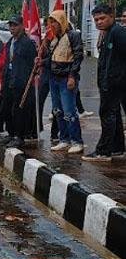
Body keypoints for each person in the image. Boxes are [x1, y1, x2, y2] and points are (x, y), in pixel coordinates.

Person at [82, 4, 126, 162]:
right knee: (113, 116)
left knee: (107, 115)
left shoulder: (118, 33)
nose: (99, 22)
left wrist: (117, 77)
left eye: (102, 18)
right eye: (96, 20)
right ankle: (117, 148)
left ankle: (103, 151)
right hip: (109, 83)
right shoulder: (107, 33)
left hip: (115, 83)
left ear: (111, 17)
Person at [44, 10, 85, 154]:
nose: (52, 24)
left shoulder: (73, 36)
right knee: (58, 111)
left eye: (55, 21)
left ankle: (77, 141)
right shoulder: (54, 39)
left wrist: (72, 76)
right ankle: (64, 139)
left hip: (66, 78)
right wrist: (41, 62)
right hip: (54, 78)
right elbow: (51, 59)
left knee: (69, 110)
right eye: (51, 22)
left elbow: (78, 56)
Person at [0, 15, 37, 149]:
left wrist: (29, 80)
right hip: (9, 78)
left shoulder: (27, 43)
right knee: (6, 108)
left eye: (15, 25)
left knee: (19, 109)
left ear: (21, 26)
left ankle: (19, 136)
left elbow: (33, 64)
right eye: (10, 26)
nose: (12, 28)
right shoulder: (10, 42)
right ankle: (11, 133)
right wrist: (1, 83)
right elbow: (6, 63)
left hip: (21, 80)